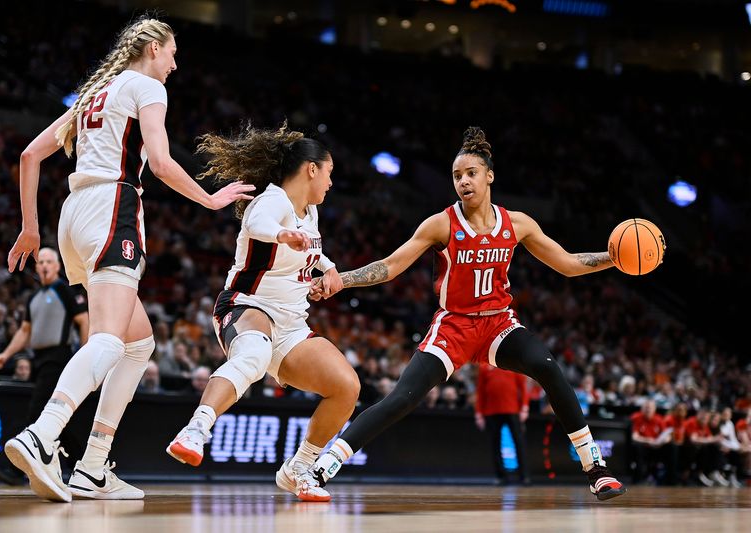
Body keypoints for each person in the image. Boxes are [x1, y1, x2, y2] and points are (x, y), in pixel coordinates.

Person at [3, 17, 254, 503]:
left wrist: (30, 228)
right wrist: (210, 199)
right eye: (173, 53)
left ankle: (93, 466)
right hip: (113, 207)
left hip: (72, 215)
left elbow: (30, 156)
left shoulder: (95, 91)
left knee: (139, 344)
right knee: (107, 339)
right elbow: (159, 163)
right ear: (153, 47)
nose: (175, 64)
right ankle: (42, 434)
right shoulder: (145, 87)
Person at [308, 127, 626, 501]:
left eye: (471, 173)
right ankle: (324, 466)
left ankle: (596, 469)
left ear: (489, 175)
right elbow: (392, 265)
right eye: (457, 176)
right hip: (454, 326)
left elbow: (569, 264)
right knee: (403, 397)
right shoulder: (441, 223)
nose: (463, 181)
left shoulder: (518, 223)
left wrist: (614, 258)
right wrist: (340, 280)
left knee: (548, 366)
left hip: (498, 324)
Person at [165, 123, 360, 503]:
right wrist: (282, 235)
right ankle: (195, 430)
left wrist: (329, 268)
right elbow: (257, 223)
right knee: (252, 356)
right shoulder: (272, 201)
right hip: (246, 304)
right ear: (312, 169)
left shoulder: (310, 211)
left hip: (290, 323)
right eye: (330, 173)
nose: (332, 183)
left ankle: (298, 468)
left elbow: (311, 251)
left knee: (346, 387)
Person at [0, 248, 88, 486]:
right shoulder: (33, 298)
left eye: (49, 262)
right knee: (58, 420)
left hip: (59, 359)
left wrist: (86, 355)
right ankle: (83, 467)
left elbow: (84, 320)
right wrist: (6, 354)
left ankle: (19, 470)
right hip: (40, 360)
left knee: (36, 412)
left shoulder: (65, 290)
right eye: (41, 262)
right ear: (36, 268)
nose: (44, 265)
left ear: (57, 266)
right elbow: (25, 332)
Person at [475, 364, 530, 485]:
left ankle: (524, 475)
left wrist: (525, 408)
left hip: (512, 410)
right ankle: (501, 476)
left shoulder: (513, 363)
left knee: (519, 442)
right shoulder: (484, 366)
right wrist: (479, 413)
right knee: (495, 444)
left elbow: (523, 388)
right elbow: (480, 391)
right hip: (491, 411)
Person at [629, 399, 669, 484]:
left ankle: (670, 479)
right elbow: (635, 437)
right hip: (643, 447)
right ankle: (639, 479)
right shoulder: (637, 418)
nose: (648, 410)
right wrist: (647, 440)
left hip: (657, 448)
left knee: (671, 446)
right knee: (637, 447)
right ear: (642, 409)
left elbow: (667, 436)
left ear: (654, 409)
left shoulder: (659, 419)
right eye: (646, 407)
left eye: (650, 408)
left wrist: (661, 442)